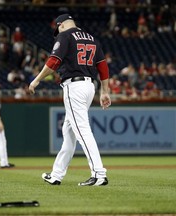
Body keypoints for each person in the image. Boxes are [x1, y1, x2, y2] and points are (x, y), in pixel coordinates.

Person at [29, 14, 111, 186]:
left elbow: (54, 61)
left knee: (82, 131)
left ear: (61, 25)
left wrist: (37, 79)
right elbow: (102, 66)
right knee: (69, 133)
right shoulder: (92, 39)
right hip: (89, 87)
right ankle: (56, 174)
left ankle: (99, 174)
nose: (57, 31)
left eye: (57, 28)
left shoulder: (65, 35)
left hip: (74, 87)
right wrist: (105, 91)